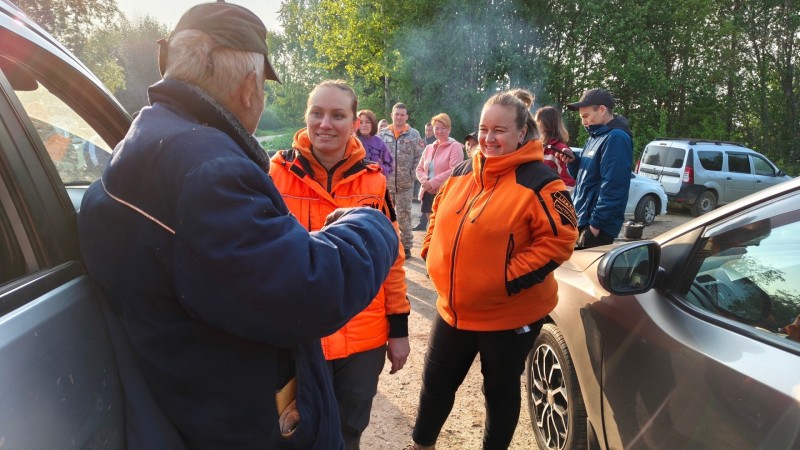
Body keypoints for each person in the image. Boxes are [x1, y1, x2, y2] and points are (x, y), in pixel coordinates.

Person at [77, 4, 400, 449]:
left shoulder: (141, 146)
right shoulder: (208, 171)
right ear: (250, 87)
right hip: (241, 424)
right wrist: (372, 225)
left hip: (194, 404)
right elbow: (308, 292)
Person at [406, 89, 578, 450]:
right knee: (436, 382)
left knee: (499, 394)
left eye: (499, 130)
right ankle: (422, 444)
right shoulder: (463, 170)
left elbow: (560, 240)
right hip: (453, 310)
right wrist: (430, 250)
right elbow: (436, 212)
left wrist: (503, 278)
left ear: (522, 133)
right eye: (484, 128)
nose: (488, 138)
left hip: (508, 315)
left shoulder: (541, 180)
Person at [270, 80, 411, 450]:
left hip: (361, 339)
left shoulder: (374, 181)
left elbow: (392, 258)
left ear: (355, 123)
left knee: (348, 433)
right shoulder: (275, 175)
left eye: (337, 115)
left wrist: (398, 328)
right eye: (317, 113)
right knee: (293, 434)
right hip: (296, 335)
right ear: (306, 117)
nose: (325, 124)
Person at [567, 88, 633, 248]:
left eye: (585, 116)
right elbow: (584, 178)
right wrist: (573, 161)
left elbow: (614, 187)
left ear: (602, 110)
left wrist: (595, 227)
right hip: (581, 219)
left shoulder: (616, 138)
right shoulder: (595, 137)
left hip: (595, 226)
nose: (583, 122)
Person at [378, 102, 425, 258]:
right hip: (386, 184)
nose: (399, 117)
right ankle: (387, 244)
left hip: (405, 185)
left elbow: (420, 157)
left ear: (407, 117)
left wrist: (412, 175)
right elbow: (376, 156)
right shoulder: (382, 134)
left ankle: (406, 246)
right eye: (396, 114)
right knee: (385, 216)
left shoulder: (414, 134)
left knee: (404, 215)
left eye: (402, 114)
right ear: (392, 115)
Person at [413, 113, 464, 231]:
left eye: (443, 128)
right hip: (427, 192)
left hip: (445, 192)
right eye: (437, 128)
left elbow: (454, 170)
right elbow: (419, 169)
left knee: (443, 227)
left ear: (449, 129)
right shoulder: (429, 148)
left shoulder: (455, 146)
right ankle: (430, 247)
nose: (440, 131)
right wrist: (426, 182)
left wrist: (433, 183)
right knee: (431, 226)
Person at [534, 106, 576, 193]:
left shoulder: (560, 149)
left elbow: (570, 185)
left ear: (546, 124)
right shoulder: (538, 147)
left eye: (537, 121)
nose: (535, 125)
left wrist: (552, 203)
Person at [356, 109, 393, 176]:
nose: (364, 125)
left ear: (372, 124)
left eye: (367, 122)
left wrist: (379, 168)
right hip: (355, 183)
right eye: (361, 122)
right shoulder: (352, 141)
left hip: (375, 183)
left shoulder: (379, 142)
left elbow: (390, 166)